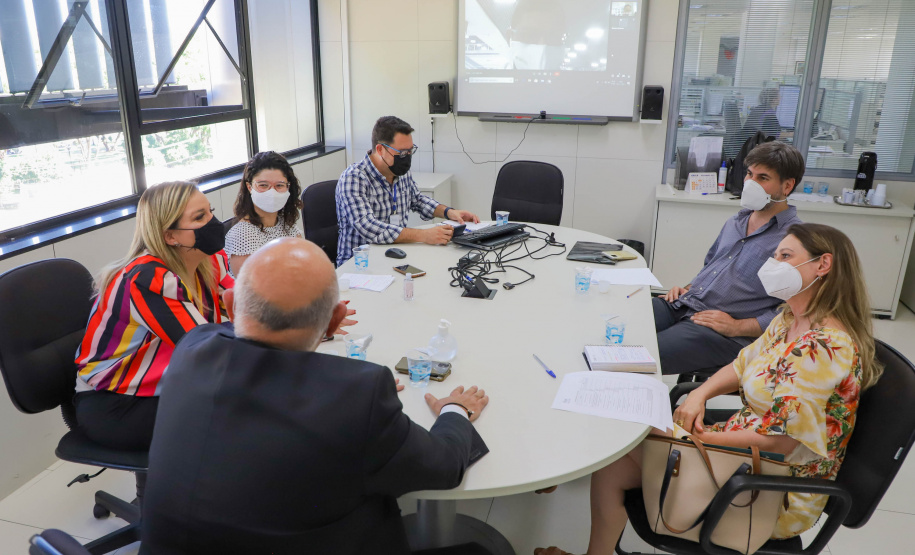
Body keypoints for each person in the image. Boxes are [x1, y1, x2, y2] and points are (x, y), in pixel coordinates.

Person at [537, 223, 883, 555]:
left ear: (822, 264)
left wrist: (696, 441)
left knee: (626, 442)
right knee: (614, 462)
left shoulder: (821, 348)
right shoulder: (791, 318)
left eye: (786, 257)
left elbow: (782, 441)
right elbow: (742, 364)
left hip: (771, 488)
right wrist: (700, 394)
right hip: (746, 451)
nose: (773, 265)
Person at [141, 237, 491, 554]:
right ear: (336, 321)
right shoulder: (356, 395)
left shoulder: (192, 348)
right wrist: (455, 409)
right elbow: (443, 467)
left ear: (230, 305)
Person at [73, 181, 233, 452]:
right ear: (170, 235)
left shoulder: (210, 259)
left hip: (165, 383)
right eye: (199, 217)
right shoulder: (147, 279)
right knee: (236, 416)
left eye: (210, 211)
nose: (213, 222)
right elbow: (208, 351)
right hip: (115, 403)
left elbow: (247, 307)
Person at [654, 141, 805, 376]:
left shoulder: (796, 240)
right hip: (686, 304)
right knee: (621, 323)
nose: (750, 183)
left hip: (721, 331)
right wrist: (686, 288)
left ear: (787, 186)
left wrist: (737, 327)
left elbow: (794, 310)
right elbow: (712, 267)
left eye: (763, 178)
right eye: (749, 174)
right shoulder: (737, 221)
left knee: (641, 354)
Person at [335, 116, 480, 267]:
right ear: (380, 149)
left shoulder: (399, 172)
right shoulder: (354, 178)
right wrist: (424, 235)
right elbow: (368, 227)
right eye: (402, 153)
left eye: (410, 151)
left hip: (395, 257)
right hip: (359, 267)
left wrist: (449, 212)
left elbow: (417, 200)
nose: (407, 158)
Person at [224, 151, 303, 276]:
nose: (271, 192)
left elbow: (302, 266)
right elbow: (248, 288)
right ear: (250, 187)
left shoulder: (286, 224)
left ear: (288, 187)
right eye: (263, 185)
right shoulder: (241, 235)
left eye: (279, 185)